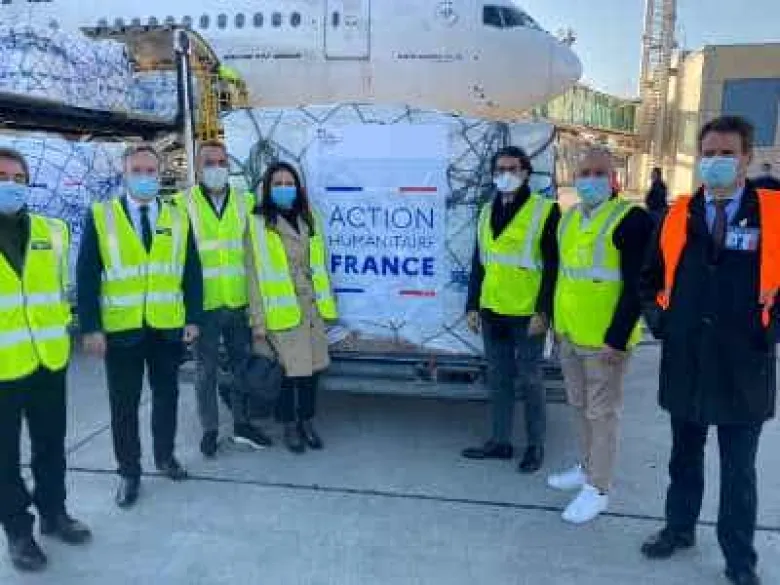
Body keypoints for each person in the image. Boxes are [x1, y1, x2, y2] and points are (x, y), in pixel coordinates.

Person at [639, 116, 777, 585]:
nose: (716, 161)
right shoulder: (678, 215)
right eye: (709, 153)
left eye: (727, 153)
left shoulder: (773, 216)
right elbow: (649, 279)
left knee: (739, 471)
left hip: (744, 365)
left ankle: (740, 560)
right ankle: (678, 529)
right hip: (688, 360)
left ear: (747, 158)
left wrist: (768, 334)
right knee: (684, 456)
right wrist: (662, 323)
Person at [77, 144, 203, 509]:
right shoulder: (101, 216)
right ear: (124, 174)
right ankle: (129, 472)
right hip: (122, 330)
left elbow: (191, 271)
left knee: (167, 397)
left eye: (151, 171)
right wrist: (91, 327)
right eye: (138, 171)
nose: (145, 178)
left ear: (160, 174)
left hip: (166, 327)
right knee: (124, 405)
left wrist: (193, 317)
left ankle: (165, 457)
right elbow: (87, 275)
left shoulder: (177, 216)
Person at [546, 146, 653, 524]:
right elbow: (564, 276)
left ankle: (599, 488)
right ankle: (587, 466)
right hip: (571, 333)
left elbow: (638, 285)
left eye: (599, 173)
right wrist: (557, 326)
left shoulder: (631, 219)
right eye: (584, 173)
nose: (590, 180)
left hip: (606, 342)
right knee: (578, 407)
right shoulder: (570, 218)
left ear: (614, 179)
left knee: (602, 414)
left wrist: (617, 338)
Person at [0, 148, 91, 572]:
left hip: (48, 359)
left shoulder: (52, 230)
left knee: (51, 445)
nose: (10, 185)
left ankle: (55, 512)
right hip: (3, 366)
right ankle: (18, 531)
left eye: (19, 178)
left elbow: (58, 290)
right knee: (3, 457)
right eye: (2, 177)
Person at [461, 145, 560, 473]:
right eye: (499, 170)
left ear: (526, 172)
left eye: (512, 169)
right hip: (492, 311)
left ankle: (535, 445)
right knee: (499, 379)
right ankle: (500, 441)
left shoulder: (545, 211)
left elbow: (553, 267)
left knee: (531, 381)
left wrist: (544, 311)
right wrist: (472, 304)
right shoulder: (486, 212)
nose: (505, 175)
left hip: (527, 314)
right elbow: (479, 262)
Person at [177, 140, 269, 457]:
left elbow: (256, 252)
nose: (216, 169)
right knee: (205, 371)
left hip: (238, 301)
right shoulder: (182, 203)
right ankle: (210, 430)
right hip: (203, 306)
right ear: (198, 168)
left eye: (221, 162)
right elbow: (177, 260)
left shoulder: (245, 201)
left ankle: (242, 424)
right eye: (209, 163)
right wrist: (185, 311)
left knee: (242, 366)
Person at [245, 161, 338, 454]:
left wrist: (327, 306)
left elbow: (320, 265)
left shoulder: (309, 218)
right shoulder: (258, 224)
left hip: (311, 309)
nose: (284, 189)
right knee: (287, 375)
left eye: (289, 183)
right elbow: (253, 277)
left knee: (311, 373)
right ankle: (289, 426)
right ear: (267, 188)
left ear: (297, 188)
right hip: (281, 313)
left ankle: (307, 421)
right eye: (278, 184)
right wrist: (258, 322)